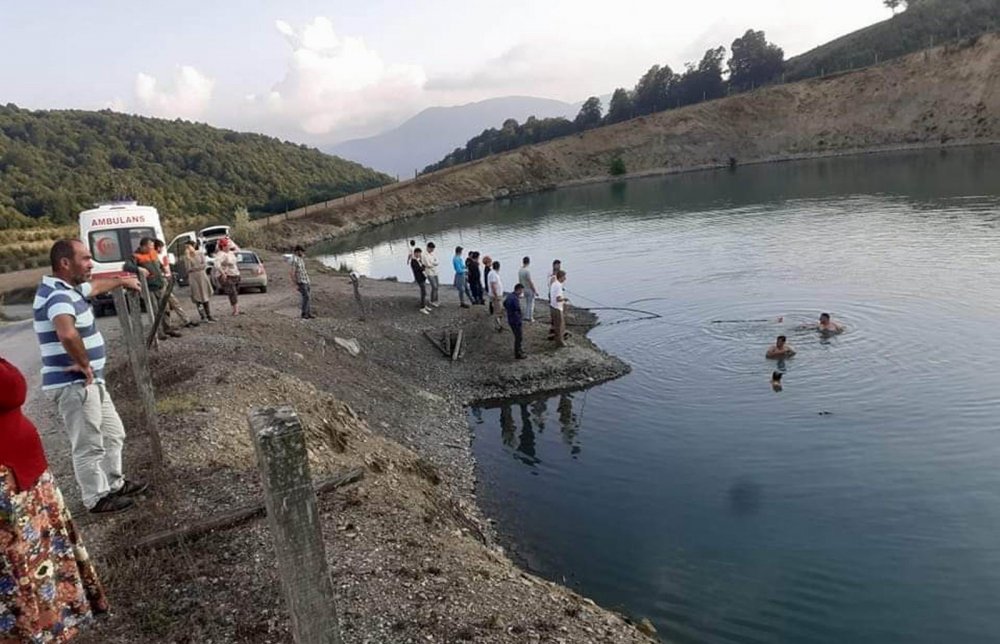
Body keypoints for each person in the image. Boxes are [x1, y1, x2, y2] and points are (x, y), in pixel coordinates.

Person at [33, 240, 148, 514]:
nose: (91, 263)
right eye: (85, 258)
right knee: (88, 443)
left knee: (113, 433)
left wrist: (122, 281)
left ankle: (114, 483)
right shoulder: (57, 297)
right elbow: (66, 332)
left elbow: (95, 287)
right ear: (64, 263)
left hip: (92, 381)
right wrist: (84, 364)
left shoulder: (68, 289)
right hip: (76, 384)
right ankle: (95, 498)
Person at [1, 357, 111, 641]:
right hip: (8, 487)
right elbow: (9, 389)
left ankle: (45, 628)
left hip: (25, 479)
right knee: (16, 574)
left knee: (37, 567)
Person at [128, 238, 182, 339]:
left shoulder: (153, 253)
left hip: (160, 284)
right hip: (149, 288)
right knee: (155, 310)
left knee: (165, 308)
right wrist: (138, 268)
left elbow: (159, 265)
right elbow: (127, 267)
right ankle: (159, 332)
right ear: (143, 246)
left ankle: (167, 328)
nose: (153, 247)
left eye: (152, 246)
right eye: (150, 246)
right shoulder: (135, 256)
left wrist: (165, 270)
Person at [153, 239, 197, 328]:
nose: (162, 250)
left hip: (163, 282)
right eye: (161, 247)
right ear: (158, 247)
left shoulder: (156, 257)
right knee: (165, 305)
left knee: (174, 302)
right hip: (159, 284)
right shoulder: (153, 257)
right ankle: (167, 326)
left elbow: (161, 267)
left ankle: (186, 320)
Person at [181, 240, 215, 322]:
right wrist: (188, 257)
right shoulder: (187, 257)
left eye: (189, 246)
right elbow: (188, 269)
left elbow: (204, 265)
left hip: (202, 276)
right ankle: (202, 316)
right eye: (186, 247)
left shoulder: (200, 253)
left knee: (205, 295)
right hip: (193, 278)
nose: (188, 248)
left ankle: (209, 315)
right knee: (197, 297)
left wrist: (197, 267)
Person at [216, 237, 241, 315]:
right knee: (232, 292)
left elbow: (238, 250)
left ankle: (236, 309)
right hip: (227, 275)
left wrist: (230, 240)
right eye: (225, 245)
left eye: (227, 245)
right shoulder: (221, 254)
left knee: (235, 292)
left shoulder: (230, 252)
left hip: (235, 274)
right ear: (222, 246)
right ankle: (235, 310)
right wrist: (223, 273)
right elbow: (217, 265)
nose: (227, 247)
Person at [290, 245, 313, 319]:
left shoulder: (301, 259)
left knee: (308, 297)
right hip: (301, 281)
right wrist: (295, 284)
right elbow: (292, 272)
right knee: (306, 297)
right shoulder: (294, 260)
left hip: (306, 280)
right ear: (297, 251)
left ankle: (308, 313)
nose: (303, 253)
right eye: (301, 251)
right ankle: (304, 313)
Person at [504, 284, 527, 359]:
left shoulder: (509, 296)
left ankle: (520, 350)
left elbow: (504, 303)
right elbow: (517, 308)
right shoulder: (514, 299)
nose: (522, 292)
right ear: (519, 290)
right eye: (522, 290)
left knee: (518, 337)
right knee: (518, 337)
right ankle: (518, 354)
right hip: (515, 320)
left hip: (511, 319)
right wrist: (519, 314)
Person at [549, 270, 568, 347]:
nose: (565, 278)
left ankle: (558, 340)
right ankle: (560, 342)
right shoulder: (558, 286)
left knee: (557, 325)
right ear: (561, 277)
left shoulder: (554, 284)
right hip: (557, 308)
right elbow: (558, 299)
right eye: (564, 277)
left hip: (552, 307)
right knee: (559, 326)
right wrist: (565, 299)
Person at [410, 247, 431, 314]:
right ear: (415, 253)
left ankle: (424, 305)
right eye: (418, 253)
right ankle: (422, 307)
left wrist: (423, 267)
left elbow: (422, 267)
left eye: (420, 253)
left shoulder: (418, 260)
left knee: (424, 292)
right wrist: (423, 267)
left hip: (422, 277)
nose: (419, 254)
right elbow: (419, 269)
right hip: (419, 278)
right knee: (423, 292)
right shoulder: (413, 261)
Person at [518, 256, 538, 322]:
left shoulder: (520, 270)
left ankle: (526, 316)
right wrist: (535, 290)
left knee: (525, 303)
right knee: (531, 303)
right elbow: (530, 281)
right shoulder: (527, 271)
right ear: (528, 262)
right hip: (529, 288)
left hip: (523, 288)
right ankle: (530, 317)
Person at [488, 260, 504, 331]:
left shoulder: (493, 273)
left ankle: (498, 325)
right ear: (498, 267)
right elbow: (493, 285)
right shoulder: (493, 274)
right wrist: (496, 295)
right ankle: (498, 326)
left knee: (498, 310)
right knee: (498, 311)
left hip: (496, 295)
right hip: (496, 295)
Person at [423, 241, 440, 307]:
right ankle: (432, 301)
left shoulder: (433, 254)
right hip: (429, 273)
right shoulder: (424, 255)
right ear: (428, 248)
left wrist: (433, 263)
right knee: (434, 286)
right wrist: (433, 263)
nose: (432, 250)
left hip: (435, 272)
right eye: (431, 249)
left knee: (437, 286)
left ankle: (436, 300)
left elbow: (437, 262)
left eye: (433, 249)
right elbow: (428, 264)